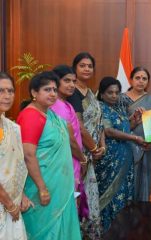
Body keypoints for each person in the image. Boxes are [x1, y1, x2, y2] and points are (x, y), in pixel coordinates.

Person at [17, 71, 81, 239]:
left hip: (58, 186)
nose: (53, 94)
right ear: (34, 93)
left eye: (54, 89)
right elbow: (28, 155)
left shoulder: (50, 114)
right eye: (47, 90)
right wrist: (42, 188)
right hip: (42, 187)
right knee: (44, 230)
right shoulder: (30, 116)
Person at [96, 77, 145, 231]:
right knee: (110, 194)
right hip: (110, 160)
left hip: (125, 157)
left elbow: (124, 128)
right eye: (110, 92)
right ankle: (108, 230)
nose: (114, 96)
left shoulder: (119, 108)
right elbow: (109, 131)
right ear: (102, 94)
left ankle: (123, 230)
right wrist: (135, 138)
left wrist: (134, 122)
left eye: (117, 92)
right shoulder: (100, 107)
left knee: (124, 192)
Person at [67, 52, 105, 239]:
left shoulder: (91, 92)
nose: (87, 69)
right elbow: (79, 126)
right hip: (79, 154)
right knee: (82, 196)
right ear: (75, 68)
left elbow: (100, 122)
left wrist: (102, 145)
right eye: (82, 65)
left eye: (90, 66)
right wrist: (93, 148)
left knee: (90, 194)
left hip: (93, 152)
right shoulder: (72, 92)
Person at [50, 65, 89, 219]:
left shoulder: (66, 104)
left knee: (72, 205)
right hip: (65, 161)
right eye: (67, 80)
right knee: (65, 208)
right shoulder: (56, 105)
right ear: (55, 82)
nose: (72, 85)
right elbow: (70, 139)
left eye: (73, 81)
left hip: (72, 161)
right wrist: (83, 158)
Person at [0, 72, 32, 240]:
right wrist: (10, 205)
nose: (7, 96)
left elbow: (17, 166)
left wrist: (21, 195)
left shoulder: (13, 128)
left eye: (10, 91)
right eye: (1, 91)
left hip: (11, 203)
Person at [120, 67, 151, 202]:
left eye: (144, 79)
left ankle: (142, 212)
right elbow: (118, 124)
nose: (141, 81)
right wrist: (134, 118)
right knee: (127, 177)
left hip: (146, 145)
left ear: (148, 82)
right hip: (126, 144)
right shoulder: (120, 98)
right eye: (137, 78)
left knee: (144, 177)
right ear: (131, 80)